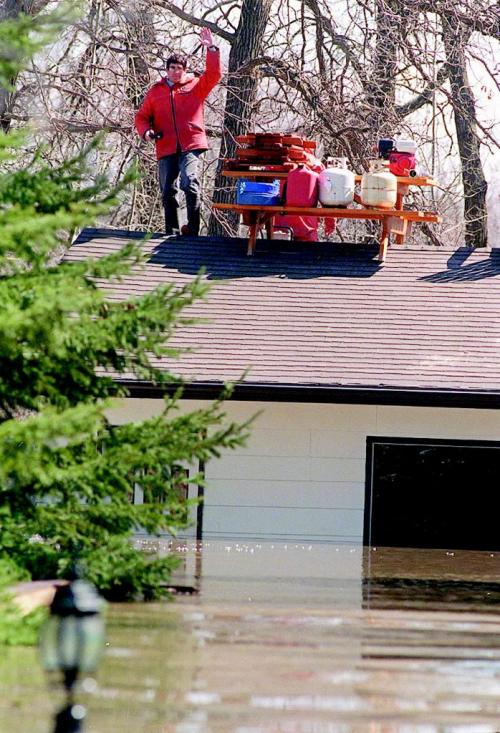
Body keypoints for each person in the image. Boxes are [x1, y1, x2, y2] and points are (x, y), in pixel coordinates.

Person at [135, 28, 221, 236]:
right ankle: (171, 231)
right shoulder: (156, 92)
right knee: (167, 191)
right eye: (172, 67)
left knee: (189, 182)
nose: (175, 71)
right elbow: (141, 117)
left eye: (179, 68)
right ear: (166, 70)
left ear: (185, 70)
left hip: (190, 145)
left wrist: (211, 48)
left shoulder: (195, 86)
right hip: (165, 146)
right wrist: (146, 132)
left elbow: (214, 74)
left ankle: (192, 229)